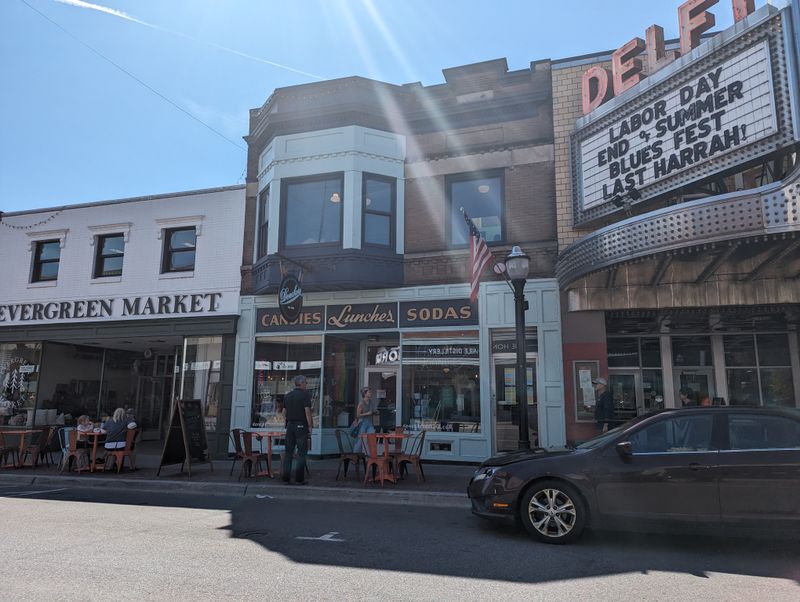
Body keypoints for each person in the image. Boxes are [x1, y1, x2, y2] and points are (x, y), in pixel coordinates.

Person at [282, 375, 313, 485]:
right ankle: (299, 478)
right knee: (301, 453)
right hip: (301, 425)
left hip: (290, 425)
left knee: (288, 452)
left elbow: (284, 412)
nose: (306, 385)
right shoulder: (305, 395)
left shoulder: (288, 396)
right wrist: (310, 426)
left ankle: (286, 478)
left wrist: (286, 423)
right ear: (301, 383)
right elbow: (307, 412)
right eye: (306, 383)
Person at [352, 387, 376, 453]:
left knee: (371, 439)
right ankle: (355, 455)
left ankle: (370, 456)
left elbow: (372, 411)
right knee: (360, 440)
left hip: (370, 423)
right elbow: (358, 415)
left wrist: (374, 412)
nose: (370, 393)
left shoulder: (371, 402)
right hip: (362, 423)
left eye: (370, 392)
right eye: (369, 392)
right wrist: (366, 413)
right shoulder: (361, 403)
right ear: (365, 394)